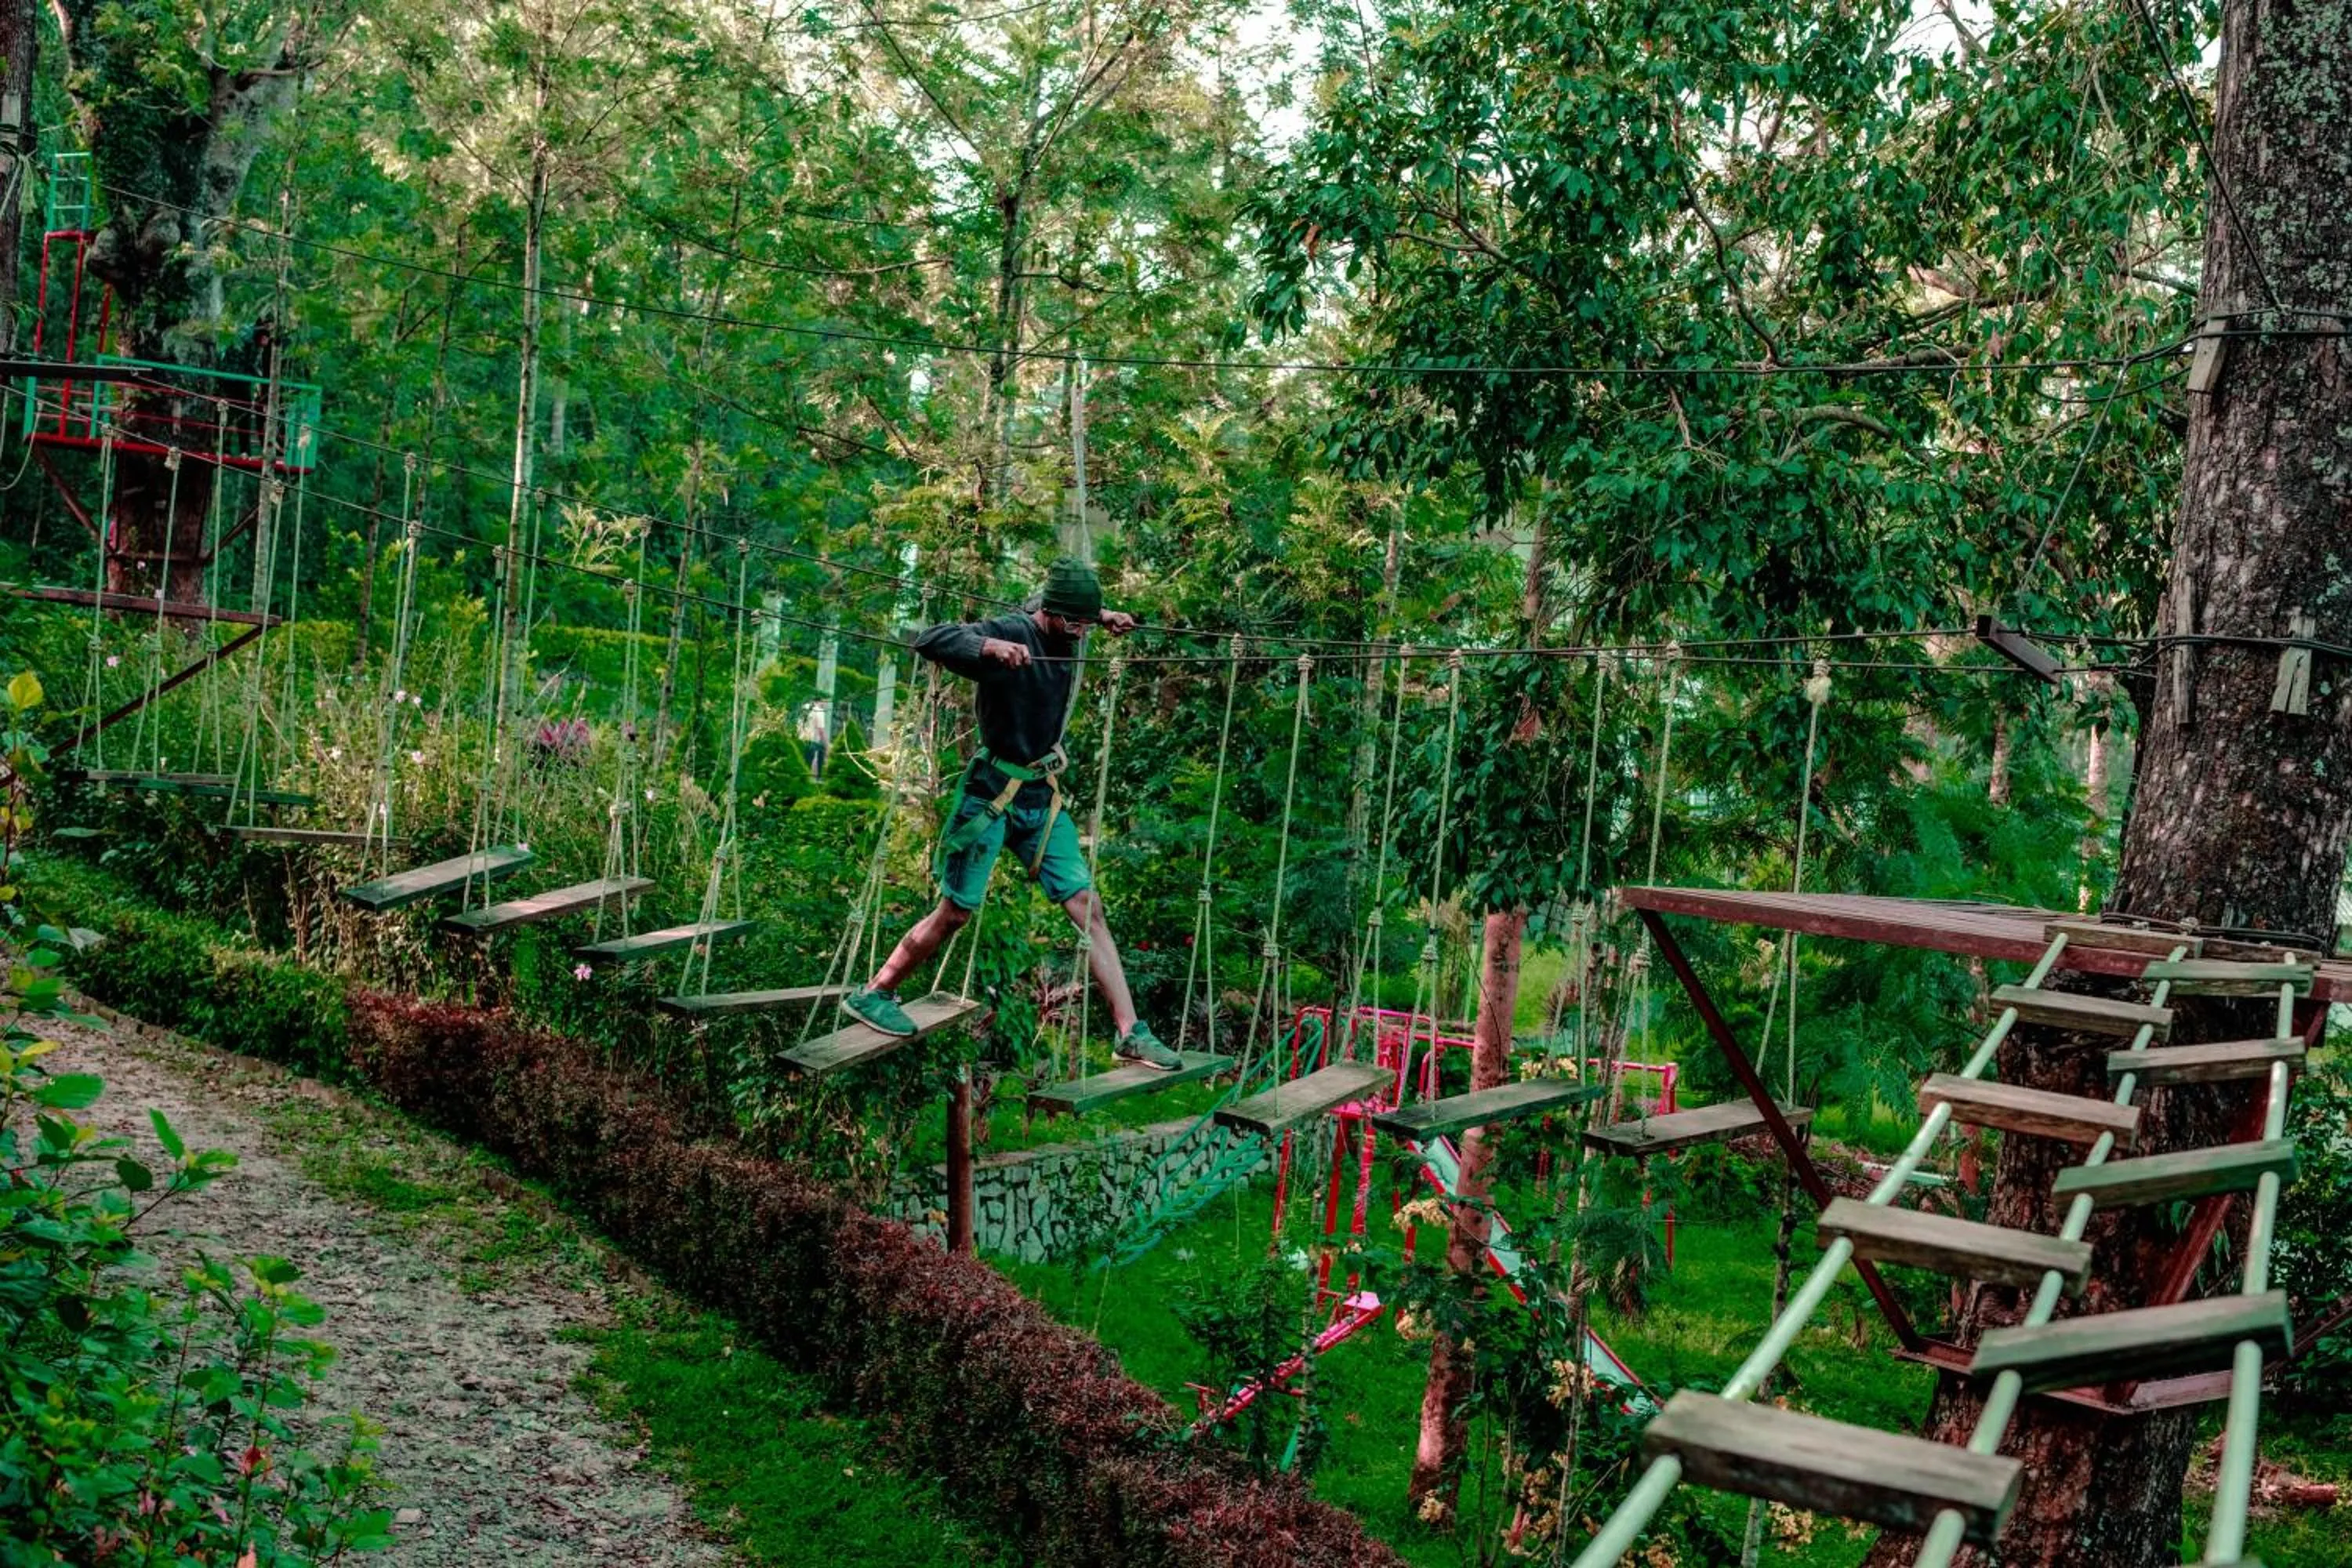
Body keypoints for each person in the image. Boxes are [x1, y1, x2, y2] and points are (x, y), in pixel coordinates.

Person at [840, 559, 1179, 1069]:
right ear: (1051, 613)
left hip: (1039, 795)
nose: (1083, 634)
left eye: (1089, 624)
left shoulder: (1068, 628)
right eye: (1077, 623)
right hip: (991, 793)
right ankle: (876, 991)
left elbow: (1067, 614)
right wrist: (987, 648)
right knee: (955, 911)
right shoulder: (1011, 632)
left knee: (1088, 906)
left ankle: (1130, 1032)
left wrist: (1104, 614)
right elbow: (931, 638)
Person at [797, 698, 831, 778]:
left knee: (803, 764)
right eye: (826, 702)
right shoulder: (819, 711)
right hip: (811, 741)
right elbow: (821, 730)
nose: (826, 704)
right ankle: (819, 776)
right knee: (822, 749)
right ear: (822, 701)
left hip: (801, 739)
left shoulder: (805, 707)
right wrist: (827, 745)